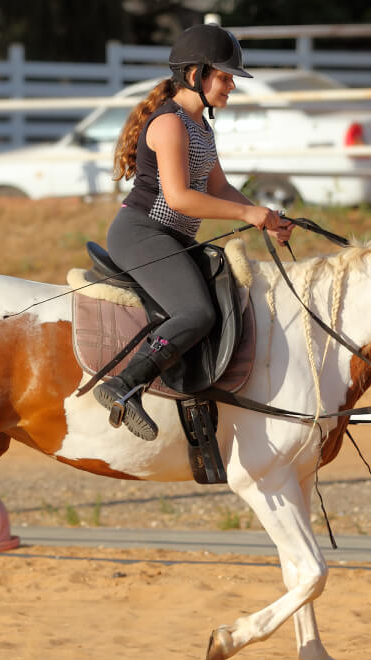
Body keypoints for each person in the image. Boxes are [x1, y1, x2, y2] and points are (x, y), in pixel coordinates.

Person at [93, 23, 292, 442]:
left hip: (171, 237)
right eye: (224, 76)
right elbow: (181, 198)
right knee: (197, 313)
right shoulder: (169, 125)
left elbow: (218, 188)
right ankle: (125, 385)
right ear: (195, 75)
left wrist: (265, 215)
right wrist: (248, 213)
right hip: (142, 233)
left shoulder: (200, 126)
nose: (232, 85)